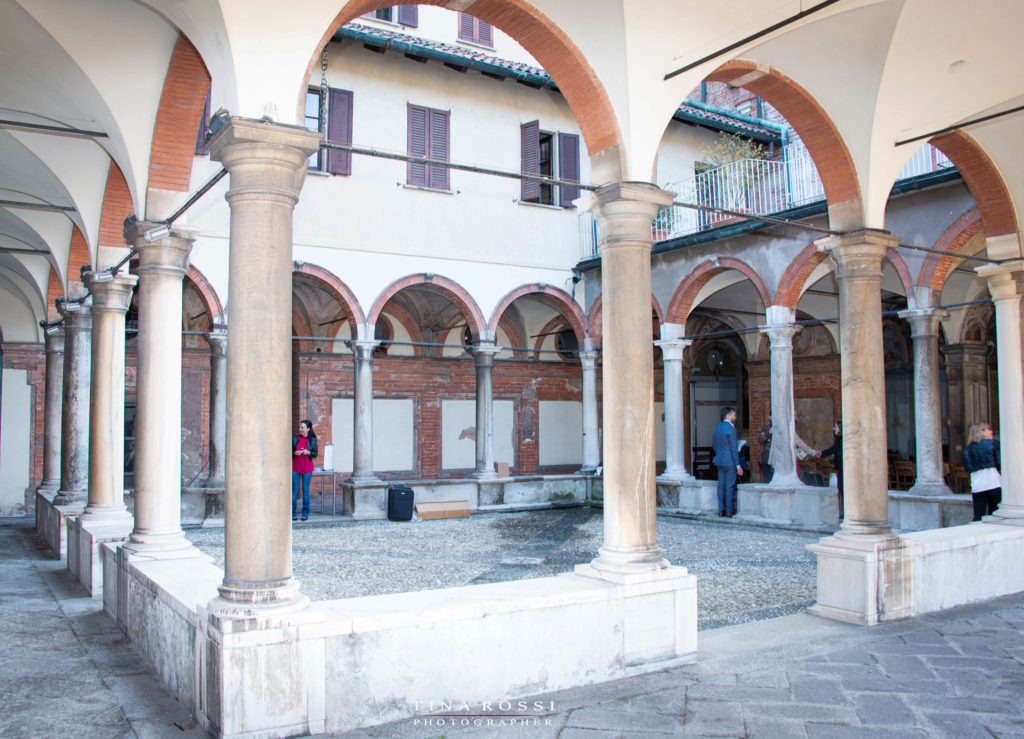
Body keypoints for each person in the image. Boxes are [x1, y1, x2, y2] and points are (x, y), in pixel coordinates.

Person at [963, 422, 1001, 521]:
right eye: (988, 429)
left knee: (978, 515)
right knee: (994, 514)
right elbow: (999, 462)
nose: (991, 432)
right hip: (993, 482)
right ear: (981, 432)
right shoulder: (992, 444)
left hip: (977, 485)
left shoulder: (968, 449)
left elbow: (968, 468)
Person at [712, 407, 743, 517]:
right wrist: (738, 465)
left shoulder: (717, 428)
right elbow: (733, 449)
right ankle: (729, 510)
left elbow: (715, 446)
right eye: (734, 415)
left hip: (720, 461)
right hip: (730, 462)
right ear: (728, 415)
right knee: (730, 486)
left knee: (721, 486)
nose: (735, 417)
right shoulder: (731, 429)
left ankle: (721, 510)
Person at [816, 421, 843, 520]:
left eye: (835, 427)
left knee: (844, 489)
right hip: (840, 468)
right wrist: (821, 453)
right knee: (841, 488)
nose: (834, 429)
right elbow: (833, 450)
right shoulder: (838, 440)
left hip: (845, 468)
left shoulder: (844, 440)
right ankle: (844, 511)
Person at [292, 419, 318, 522]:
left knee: (305, 491)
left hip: (307, 468)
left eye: (302, 427)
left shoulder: (312, 440)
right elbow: (289, 451)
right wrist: (295, 453)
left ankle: (305, 513)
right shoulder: (294, 439)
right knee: (294, 491)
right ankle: (293, 513)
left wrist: (308, 452)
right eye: (300, 427)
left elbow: (315, 453)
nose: (300, 429)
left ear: (308, 429)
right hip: (295, 467)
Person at [758, 416, 773, 483]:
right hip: (767, 458)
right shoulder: (766, 428)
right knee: (767, 481)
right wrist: (769, 432)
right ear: (770, 417)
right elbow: (761, 440)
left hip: (777, 459)